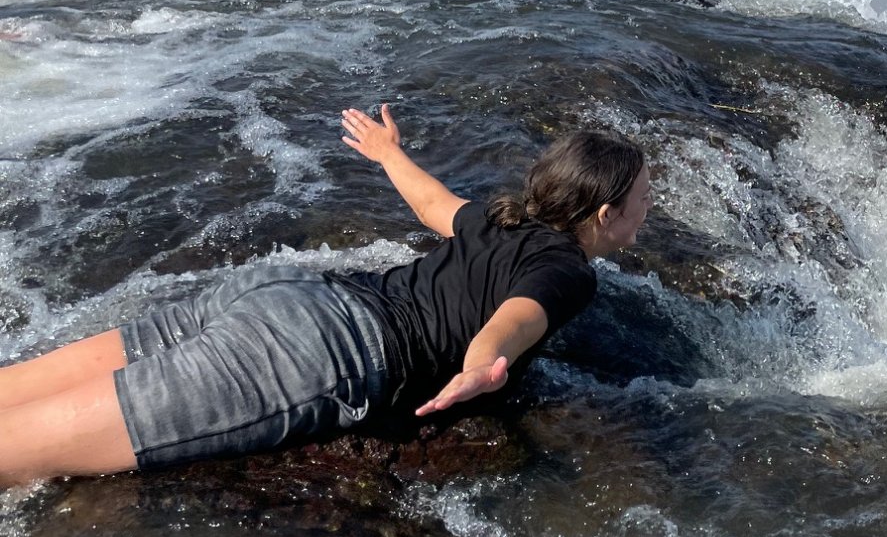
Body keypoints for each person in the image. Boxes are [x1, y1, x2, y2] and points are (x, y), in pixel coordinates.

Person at [0, 110, 650, 488]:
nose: (650, 208)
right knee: (20, 448)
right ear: (604, 211)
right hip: (317, 352)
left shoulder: (499, 217)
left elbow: (431, 204)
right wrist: (484, 366)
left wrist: (388, 153)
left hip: (289, 293)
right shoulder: (570, 271)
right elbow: (517, 318)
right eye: (644, 197)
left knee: (18, 392)